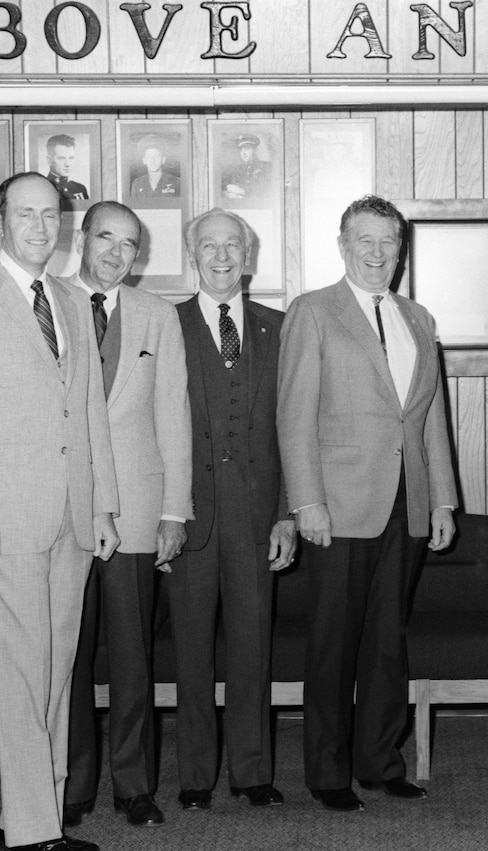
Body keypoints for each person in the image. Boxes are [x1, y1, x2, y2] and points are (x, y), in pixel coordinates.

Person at [0, 171, 119, 851]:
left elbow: (89, 409)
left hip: (70, 516)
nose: (41, 227)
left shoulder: (69, 297)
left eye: (51, 216)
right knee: (17, 669)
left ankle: (36, 819)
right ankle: (32, 831)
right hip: (3, 519)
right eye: (26, 215)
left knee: (56, 669)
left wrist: (102, 505)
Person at [278, 195, 457, 813]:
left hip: (408, 504)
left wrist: (443, 501)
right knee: (333, 642)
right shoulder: (313, 312)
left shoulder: (417, 317)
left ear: (400, 250)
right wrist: (306, 502)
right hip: (340, 501)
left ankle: (380, 761)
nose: (379, 253)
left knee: (387, 640)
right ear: (344, 245)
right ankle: (328, 771)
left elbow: (430, 415)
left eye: (389, 242)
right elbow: (293, 415)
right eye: (367, 241)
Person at [63, 202, 192, 830]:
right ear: (82, 239)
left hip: (139, 510)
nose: (117, 253)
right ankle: (72, 784)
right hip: (62, 510)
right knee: (69, 656)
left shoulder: (157, 316)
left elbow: (174, 416)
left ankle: (133, 785)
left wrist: (174, 512)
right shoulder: (48, 303)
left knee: (133, 659)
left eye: (130, 245)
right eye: (106, 238)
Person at [169, 207, 294, 812]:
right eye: (209, 246)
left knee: (253, 648)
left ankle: (252, 771)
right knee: (191, 652)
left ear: (249, 257)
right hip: (187, 518)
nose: (222, 256)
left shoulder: (279, 327)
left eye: (232, 246)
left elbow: (297, 428)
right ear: (193, 256)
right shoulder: (165, 325)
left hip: (256, 519)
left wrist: (289, 513)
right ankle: (195, 775)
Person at [222, 133, 272, 200]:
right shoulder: (236, 169)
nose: (244, 153)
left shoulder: (266, 167)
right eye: (241, 150)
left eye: (247, 148)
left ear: (255, 150)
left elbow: (268, 191)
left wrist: (243, 192)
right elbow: (223, 188)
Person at [46, 134, 89, 200]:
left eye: (71, 158)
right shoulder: (42, 188)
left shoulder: (80, 189)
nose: (67, 164)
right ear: (49, 160)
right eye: (62, 158)